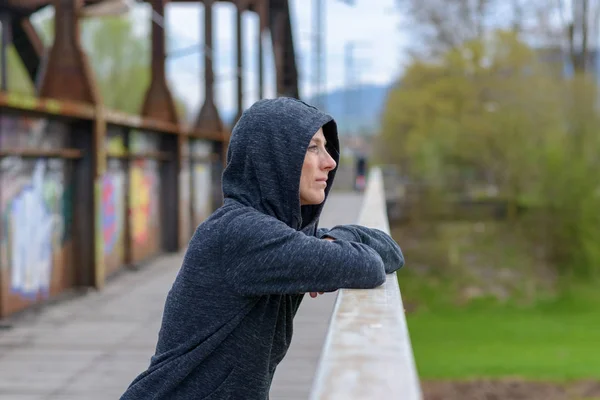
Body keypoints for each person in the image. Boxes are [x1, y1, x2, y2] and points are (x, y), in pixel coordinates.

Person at [120, 97, 404, 400]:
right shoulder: (243, 234)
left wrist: (331, 240)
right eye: (312, 148)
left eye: (326, 147)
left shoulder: (273, 233)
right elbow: (369, 267)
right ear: (275, 158)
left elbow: (391, 252)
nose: (330, 162)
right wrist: (331, 248)